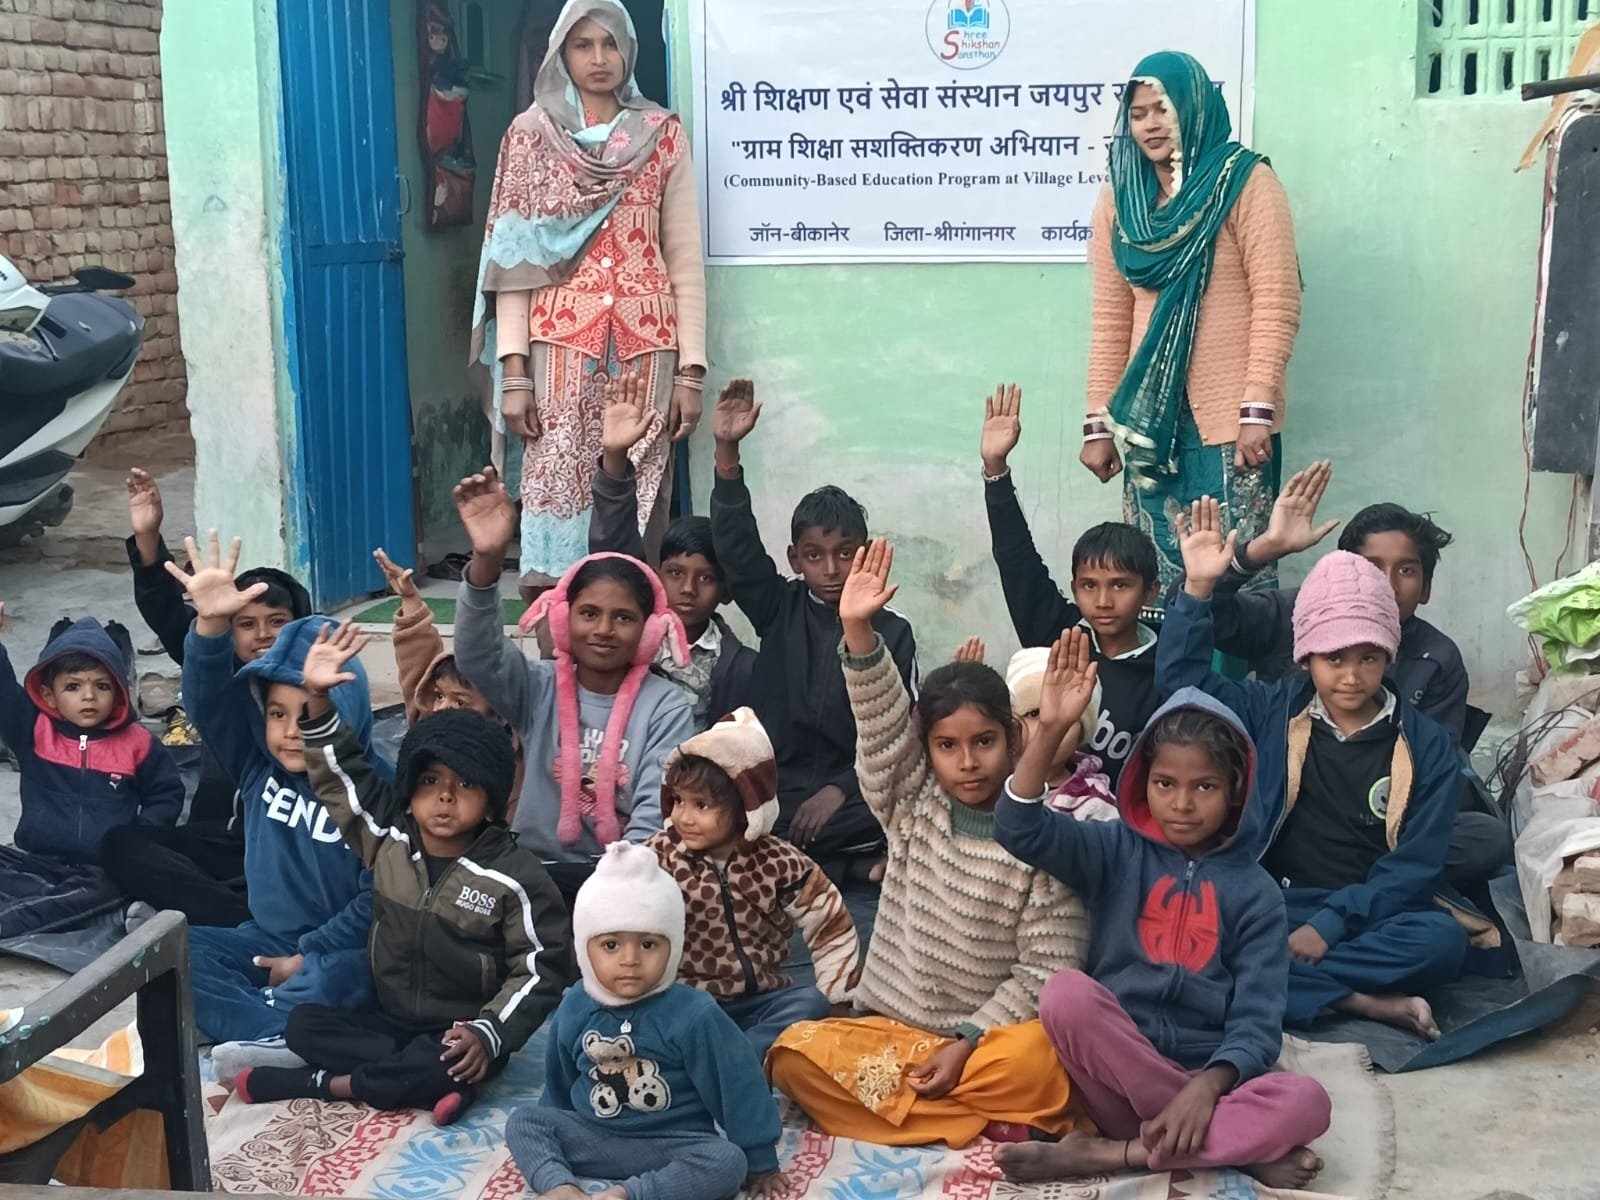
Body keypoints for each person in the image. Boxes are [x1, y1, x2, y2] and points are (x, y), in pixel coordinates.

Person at [767, 541, 1088, 1148]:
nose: (967, 762)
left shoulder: (1047, 839)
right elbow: (882, 726)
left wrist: (966, 1042)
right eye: (947, 746)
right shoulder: (913, 806)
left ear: (1012, 738)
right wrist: (858, 631)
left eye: (984, 742)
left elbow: (1047, 970)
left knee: (1041, 1062)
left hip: (981, 1045)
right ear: (928, 750)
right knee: (792, 1055)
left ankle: (920, 1110)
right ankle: (976, 1122)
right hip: (893, 1033)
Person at [993, 632, 1331, 1189]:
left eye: (1205, 786)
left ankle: (1114, 1155)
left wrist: (1205, 1088)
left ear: (1236, 790)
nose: (1182, 803)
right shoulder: (1114, 849)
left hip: (1209, 1081)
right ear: (1140, 782)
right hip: (1116, 1078)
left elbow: (1257, 1024)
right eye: (1165, 783)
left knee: (1308, 1101)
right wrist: (1049, 729)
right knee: (1065, 994)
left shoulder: (1257, 893)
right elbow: (1017, 827)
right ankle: (1232, 1148)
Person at [235, 625, 571, 1126]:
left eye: (466, 784)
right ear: (410, 792)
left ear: (492, 801)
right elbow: (342, 781)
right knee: (304, 1026)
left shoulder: (514, 875)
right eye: (430, 781)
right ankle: (429, 1083)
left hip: (461, 1032)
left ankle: (326, 1084)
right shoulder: (387, 838)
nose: (445, 796)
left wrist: (489, 1033)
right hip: (387, 1018)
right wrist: (318, 701)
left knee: (448, 1060)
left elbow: (542, 966)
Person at [1163, 501, 1472, 1038]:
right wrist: (1196, 590)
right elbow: (1181, 686)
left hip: (1370, 911)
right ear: (1306, 658)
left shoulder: (1425, 747)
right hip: (1274, 902)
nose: (1351, 676)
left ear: (1390, 655)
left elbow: (1415, 866)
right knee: (1188, 928)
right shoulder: (1272, 712)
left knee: (1443, 943)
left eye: (1367, 657)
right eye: (1334, 658)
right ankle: (1361, 1002)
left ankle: (1263, 980)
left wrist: (1330, 925)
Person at [1168, 463, 1508, 891]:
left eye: (1406, 570)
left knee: (1485, 838)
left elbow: (1433, 770)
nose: (1388, 583)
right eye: (1331, 657)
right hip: (1284, 802)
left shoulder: (1437, 658)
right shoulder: (1295, 616)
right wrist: (1260, 550)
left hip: (1382, 819)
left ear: (1425, 588)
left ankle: (1373, 881)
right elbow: (1189, 610)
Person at [470, 0, 707, 591]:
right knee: (556, 485)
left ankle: (630, 618)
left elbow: (683, 255)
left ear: (628, 51)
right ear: (560, 52)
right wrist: (515, 375)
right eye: (583, 44)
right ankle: (555, 629)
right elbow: (514, 264)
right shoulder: (530, 136)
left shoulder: (660, 134)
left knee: (638, 488)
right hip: (558, 346)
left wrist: (692, 372)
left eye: (610, 43)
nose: (599, 58)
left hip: (647, 345)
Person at [1079, 51, 1301, 594]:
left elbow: (1276, 300)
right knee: (1150, 582)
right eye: (1138, 114)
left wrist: (1257, 410)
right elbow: (1111, 319)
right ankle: (1166, 658)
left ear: (1194, 107)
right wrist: (1098, 425)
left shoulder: (1245, 183)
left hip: (1230, 426)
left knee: (1237, 578)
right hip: (1148, 426)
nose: (1151, 125)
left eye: (1164, 109)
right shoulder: (1120, 200)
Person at [164, 533, 377, 1062]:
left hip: (347, 950)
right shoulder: (258, 763)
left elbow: (381, 899)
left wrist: (310, 955)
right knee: (173, 956)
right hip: (265, 937)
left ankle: (267, 1024)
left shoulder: (376, 787)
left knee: (348, 979)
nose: (290, 732)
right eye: (278, 714)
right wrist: (210, 627)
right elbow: (209, 701)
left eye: (311, 714)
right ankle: (275, 1027)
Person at [451, 467, 695, 908]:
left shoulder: (668, 706)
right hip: (530, 874)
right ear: (562, 620)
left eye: (624, 618)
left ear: (649, 632)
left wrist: (616, 892)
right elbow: (477, 655)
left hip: (623, 882)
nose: (603, 630)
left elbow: (655, 812)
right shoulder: (537, 686)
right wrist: (486, 562)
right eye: (589, 614)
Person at [710, 379, 917, 884]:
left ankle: (813, 861)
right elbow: (737, 549)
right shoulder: (778, 606)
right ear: (794, 559)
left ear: (865, 553)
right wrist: (727, 454)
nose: (831, 570)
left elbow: (898, 736)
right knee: (728, 801)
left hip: (850, 796)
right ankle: (846, 867)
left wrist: (840, 789)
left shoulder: (893, 631)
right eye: (814, 555)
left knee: (909, 798)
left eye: (845, 553)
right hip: (779, 787)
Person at [506, 841, 786, 1200]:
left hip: (672, 1144)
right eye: (611, 945)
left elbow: (737, 1084)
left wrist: (761, 1161)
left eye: (649, 945)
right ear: (584, 948)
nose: (630, 960)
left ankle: (628, 1194)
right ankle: (561, 1189)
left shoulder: (694, 1014)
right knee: (524, 1121)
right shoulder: (575, 1004)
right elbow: (559, 1082)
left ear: (674, 946)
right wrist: (553, 1134)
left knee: (728, 1162)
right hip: (593, 1137)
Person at [106, 469, 313, 929]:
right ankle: (231, 913)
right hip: (225, 835)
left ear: (299, 623)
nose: (262, 635)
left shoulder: (322, 686)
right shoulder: (217, 673)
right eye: (246, 623)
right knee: (122, 845)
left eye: (277, 622)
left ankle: (202, 912)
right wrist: (148, 536)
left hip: (291, 843)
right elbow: (166, 609)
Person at [648, 707, 861, 1060]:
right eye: (679, 801)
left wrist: (838, 1000)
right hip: (691, 1003)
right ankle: (732, 1059)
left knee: (811, 1003)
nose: (684, 817)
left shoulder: (778, 862)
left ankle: (732, 1060)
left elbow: (830, 924)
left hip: (761, 1003)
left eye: (701, 805)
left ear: (746, 804)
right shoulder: (660, 858)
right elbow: (619, 909)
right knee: (657, 1017)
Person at [983, 384, 1161, 784]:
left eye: (1120, 586)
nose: (1103, 601)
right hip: (1037, 806)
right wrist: (996, 469)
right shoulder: (1060, 638)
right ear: (1074, 587)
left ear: (1150, 591)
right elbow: (1016, 561)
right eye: (1089, 586)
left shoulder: (1165, 665)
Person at [589, 370, 757, 729]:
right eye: (676, 573)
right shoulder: (630, 638)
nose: (688, 589)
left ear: (726, 590)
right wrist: (615, 457)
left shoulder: (738, 666)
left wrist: (727, 452)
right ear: (656, 576)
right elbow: (614, 554)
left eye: (706, 578)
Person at [0, 607, 182, 937]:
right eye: (73, 687)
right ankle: (59, 905)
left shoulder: (138, 743)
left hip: (100, 869)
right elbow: (3, 693)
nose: (88, 696)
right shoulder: (33, 730)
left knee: (100, 891)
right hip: (35, 858)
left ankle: (15, 918)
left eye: (102, 686)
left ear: (120, 692)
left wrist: (138, 839)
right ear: (48, 695)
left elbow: (166, 793)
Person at [1004, 646, 1116, 820]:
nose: (1050, 725)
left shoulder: (1097, 803)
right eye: (1033, 713)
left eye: (1065, 719)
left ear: (1082, 733)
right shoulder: (993, 776)